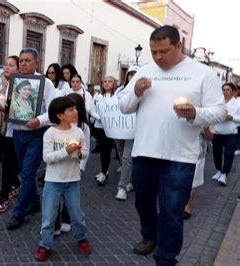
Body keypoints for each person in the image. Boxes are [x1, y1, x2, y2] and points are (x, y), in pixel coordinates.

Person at [118, 25, 227, 265]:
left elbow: (220, 111)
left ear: (179, 46)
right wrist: (135, 91)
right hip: (145, 151)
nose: (158, 57)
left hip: (180, 156)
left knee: (172, 211)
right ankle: (149, 236)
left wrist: (195, 113)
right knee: (142, 202)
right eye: (153, 52)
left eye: (164, 51)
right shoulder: (144, 71)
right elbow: (123, 106)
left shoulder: (202, 73)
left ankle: (166, 257)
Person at [34, 96, 90, 261]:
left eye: (75, 109)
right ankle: (45, 244)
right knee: (49, 216)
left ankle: (81, 237)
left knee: (77, 214)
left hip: (72, 180)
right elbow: (47, 157)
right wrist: (66, 151)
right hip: (53, 181)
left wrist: (78, 153)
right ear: (60, 115)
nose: (76, 112)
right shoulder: (50, 133)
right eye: (71, 110)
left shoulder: (78, 132)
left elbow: (84, 153)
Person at [6, 47, 56, 230]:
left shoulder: (46, 84)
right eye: (21, 60)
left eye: (27, 60)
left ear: (36, 63)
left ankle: (19, 212)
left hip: (36, 135)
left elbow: (53, 111)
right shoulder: (15, 82)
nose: (23, 63)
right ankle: (34, 200)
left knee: (27, 173)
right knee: (24, 172)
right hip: (18, 134)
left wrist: (39, 120)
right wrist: (4, 105)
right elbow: (11, 106)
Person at [52, 93, 91, 235]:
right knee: (54, 195)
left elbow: (85, 149)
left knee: (70, 196)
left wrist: (82, 166)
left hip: (74, 167)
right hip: (57, 166)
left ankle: (67, 219)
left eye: (73, 108)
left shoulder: (83, 128)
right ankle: (55, 223)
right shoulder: (57, 126)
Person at [0, 55, 21, 213]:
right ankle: (15, 183)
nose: (7, 68)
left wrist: (8, 107)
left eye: (11, 65)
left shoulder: (21, 84)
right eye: (6, 65)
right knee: (3, 159)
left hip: (15, 129)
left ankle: (3, 197)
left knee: (10, 162)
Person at [114, 65, 139, 200]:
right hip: (119, 128)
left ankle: (121, 187)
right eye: (130, 74)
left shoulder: (142, 91)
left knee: (127, 157)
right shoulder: (120, 90)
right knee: (120, 150)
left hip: (132, 129)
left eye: (135, 73)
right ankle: (131, 179)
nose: (132, 76)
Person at [211, 82, 240, 185]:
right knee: (216, 153)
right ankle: (218, 170)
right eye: (223, 89)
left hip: (231, 133)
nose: (225, 92)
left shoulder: (237, 103)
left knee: (229, 154)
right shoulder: (218, 102)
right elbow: (212, 114)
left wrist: (232, 118)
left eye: (228, 90)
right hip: (217, 132)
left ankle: (224, 174)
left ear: (233, 91)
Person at [92, 76, 118, 185]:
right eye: (105, 81)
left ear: (114, 84)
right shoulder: (97, 96)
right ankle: (104, 170)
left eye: (110, 81)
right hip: (100, 126)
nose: (107, 83)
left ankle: (104, 171)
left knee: (108, 150)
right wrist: (101, 118)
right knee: (103, 150)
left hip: (111, 127)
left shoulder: (117, 97)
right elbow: (92, 110)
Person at [184, 127, 213, 219]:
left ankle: (187, 205)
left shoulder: (205, 114)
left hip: (197, 153)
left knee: (194, 180)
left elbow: (210, 136)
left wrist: (205, 129)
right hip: (177, 150)